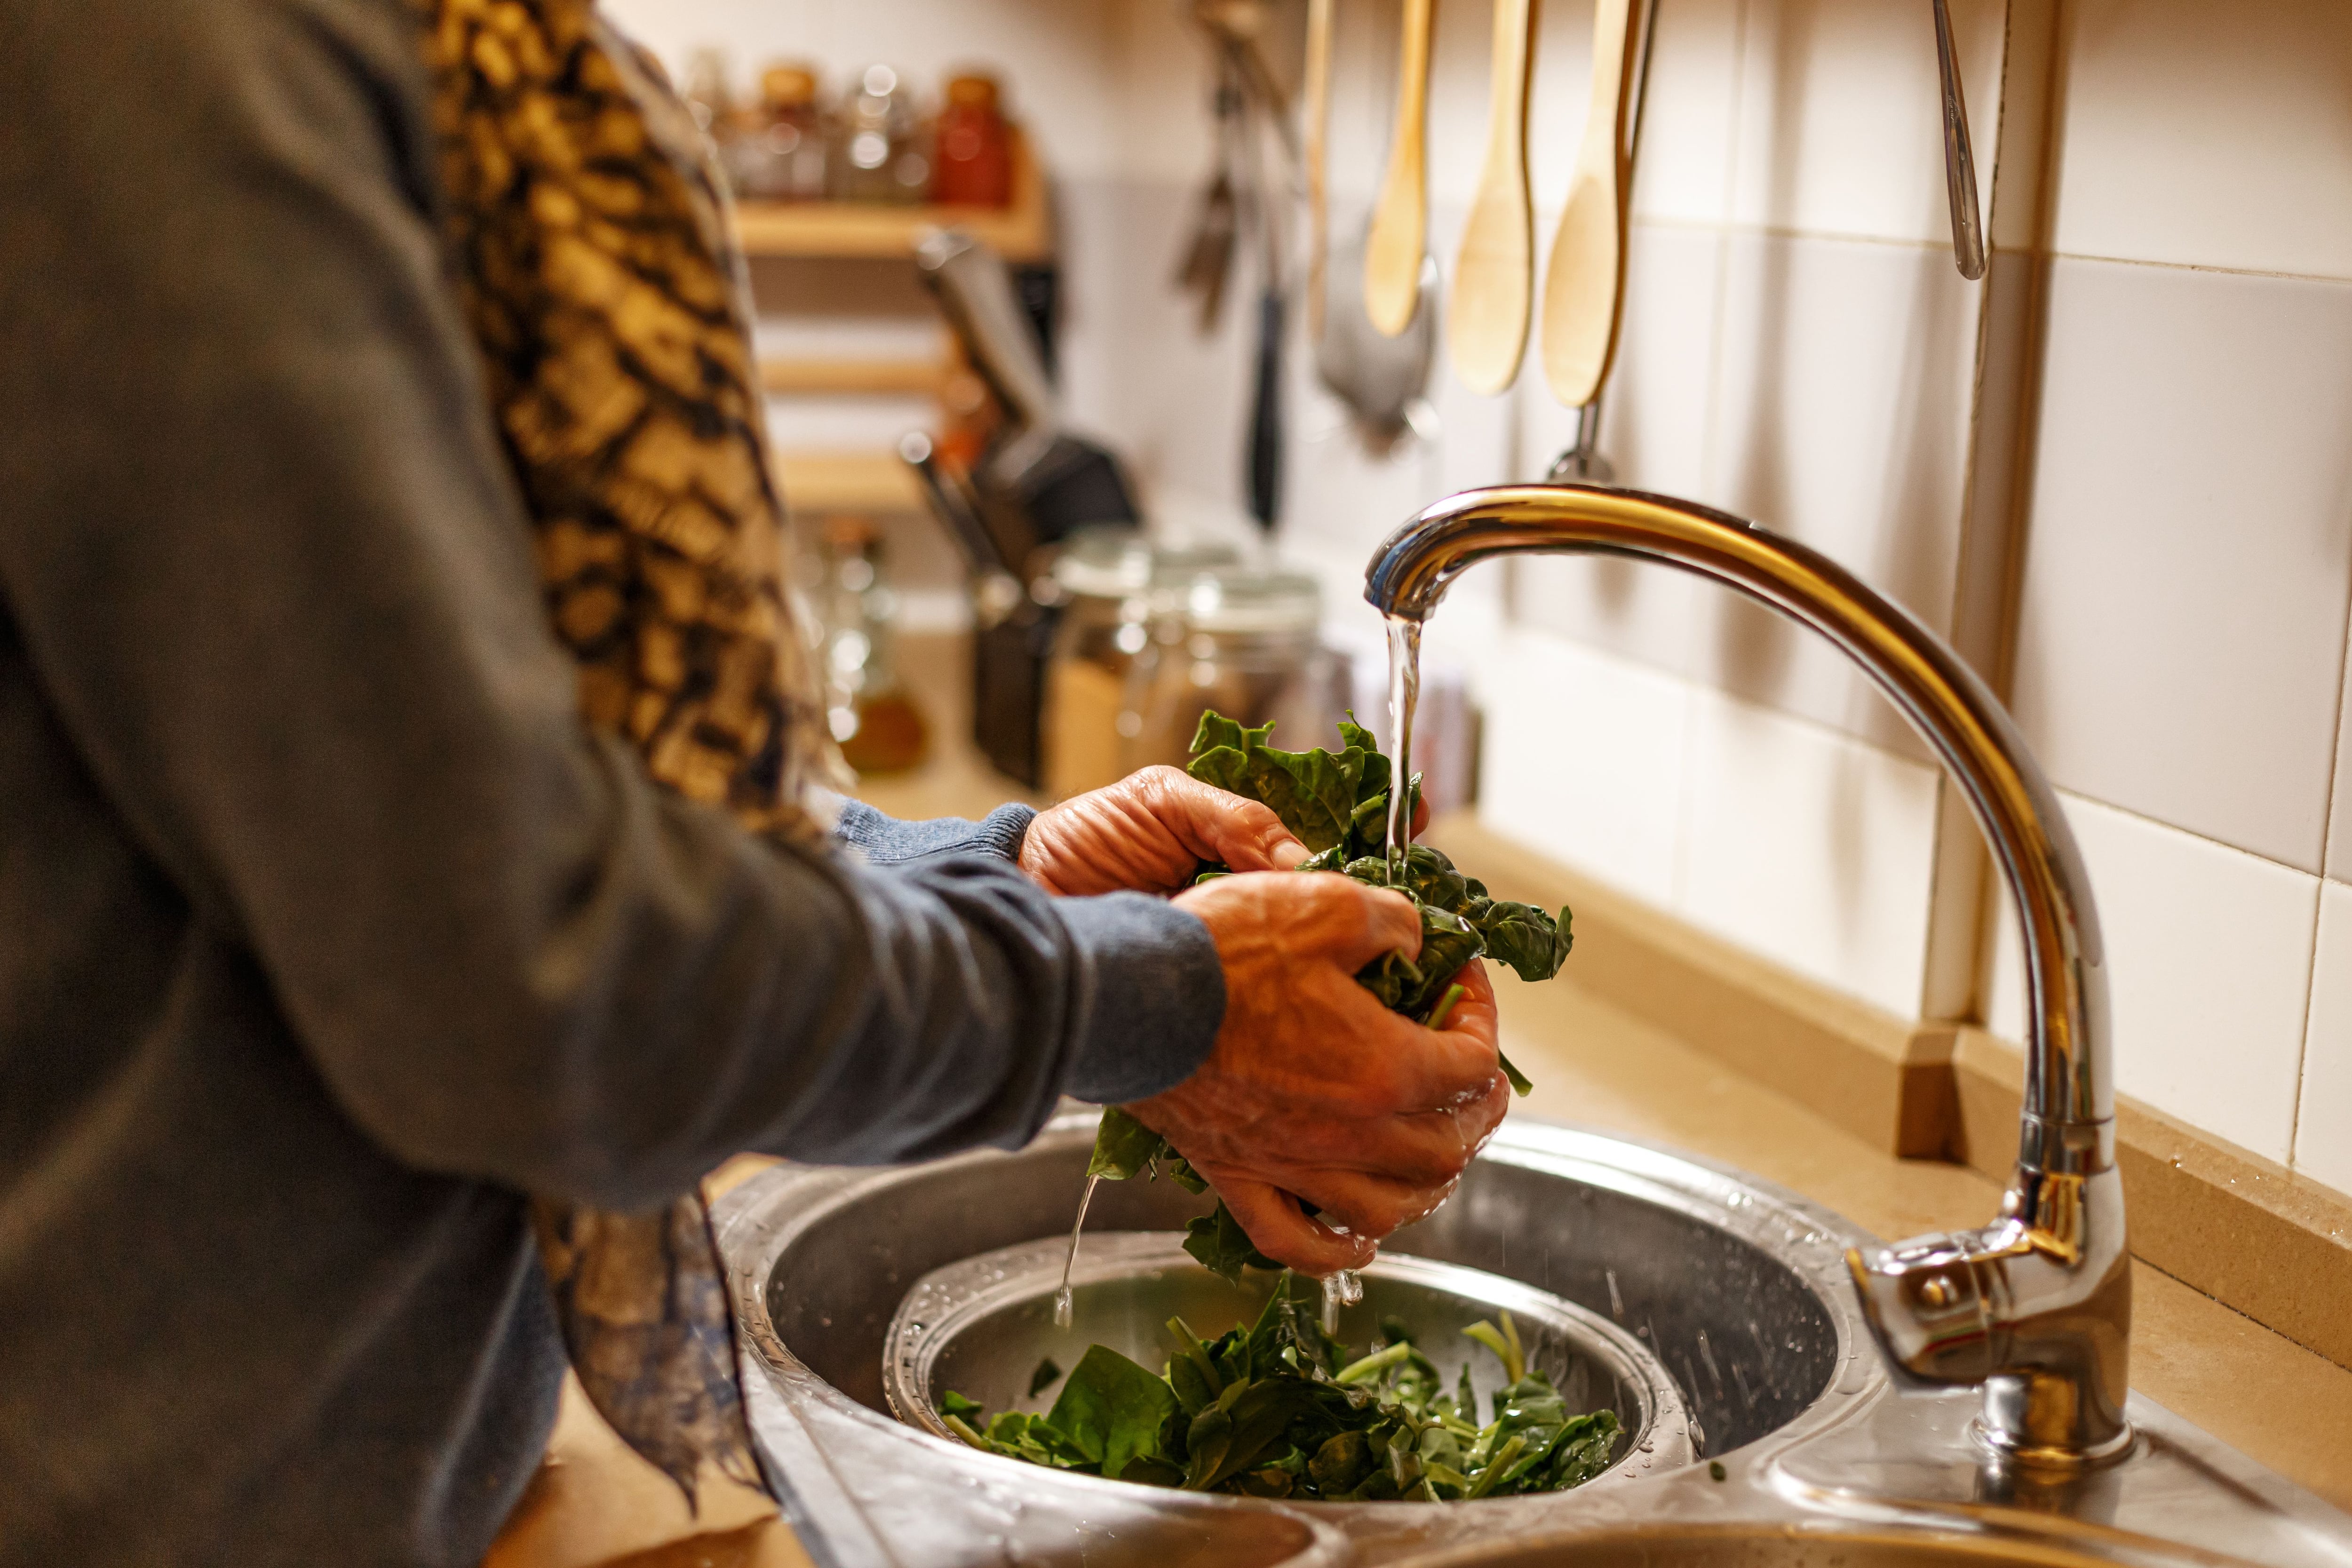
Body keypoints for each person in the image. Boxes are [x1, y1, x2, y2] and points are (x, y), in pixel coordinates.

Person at [0, 1, 1511, 1564]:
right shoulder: (170, 57)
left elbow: (510, 798)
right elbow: (539, 982)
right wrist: (1150, 1002)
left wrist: (993, 879)